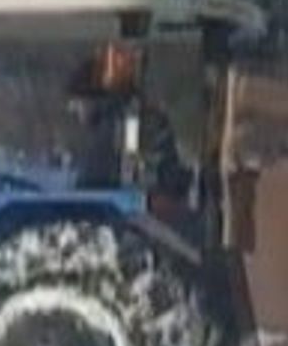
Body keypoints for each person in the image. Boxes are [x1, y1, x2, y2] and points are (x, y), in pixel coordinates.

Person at [66, 42, 194, 224]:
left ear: (92, 100)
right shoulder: (134, 121)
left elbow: (99, 194)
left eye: (77, 103)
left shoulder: (126, 127)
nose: (76, 112)